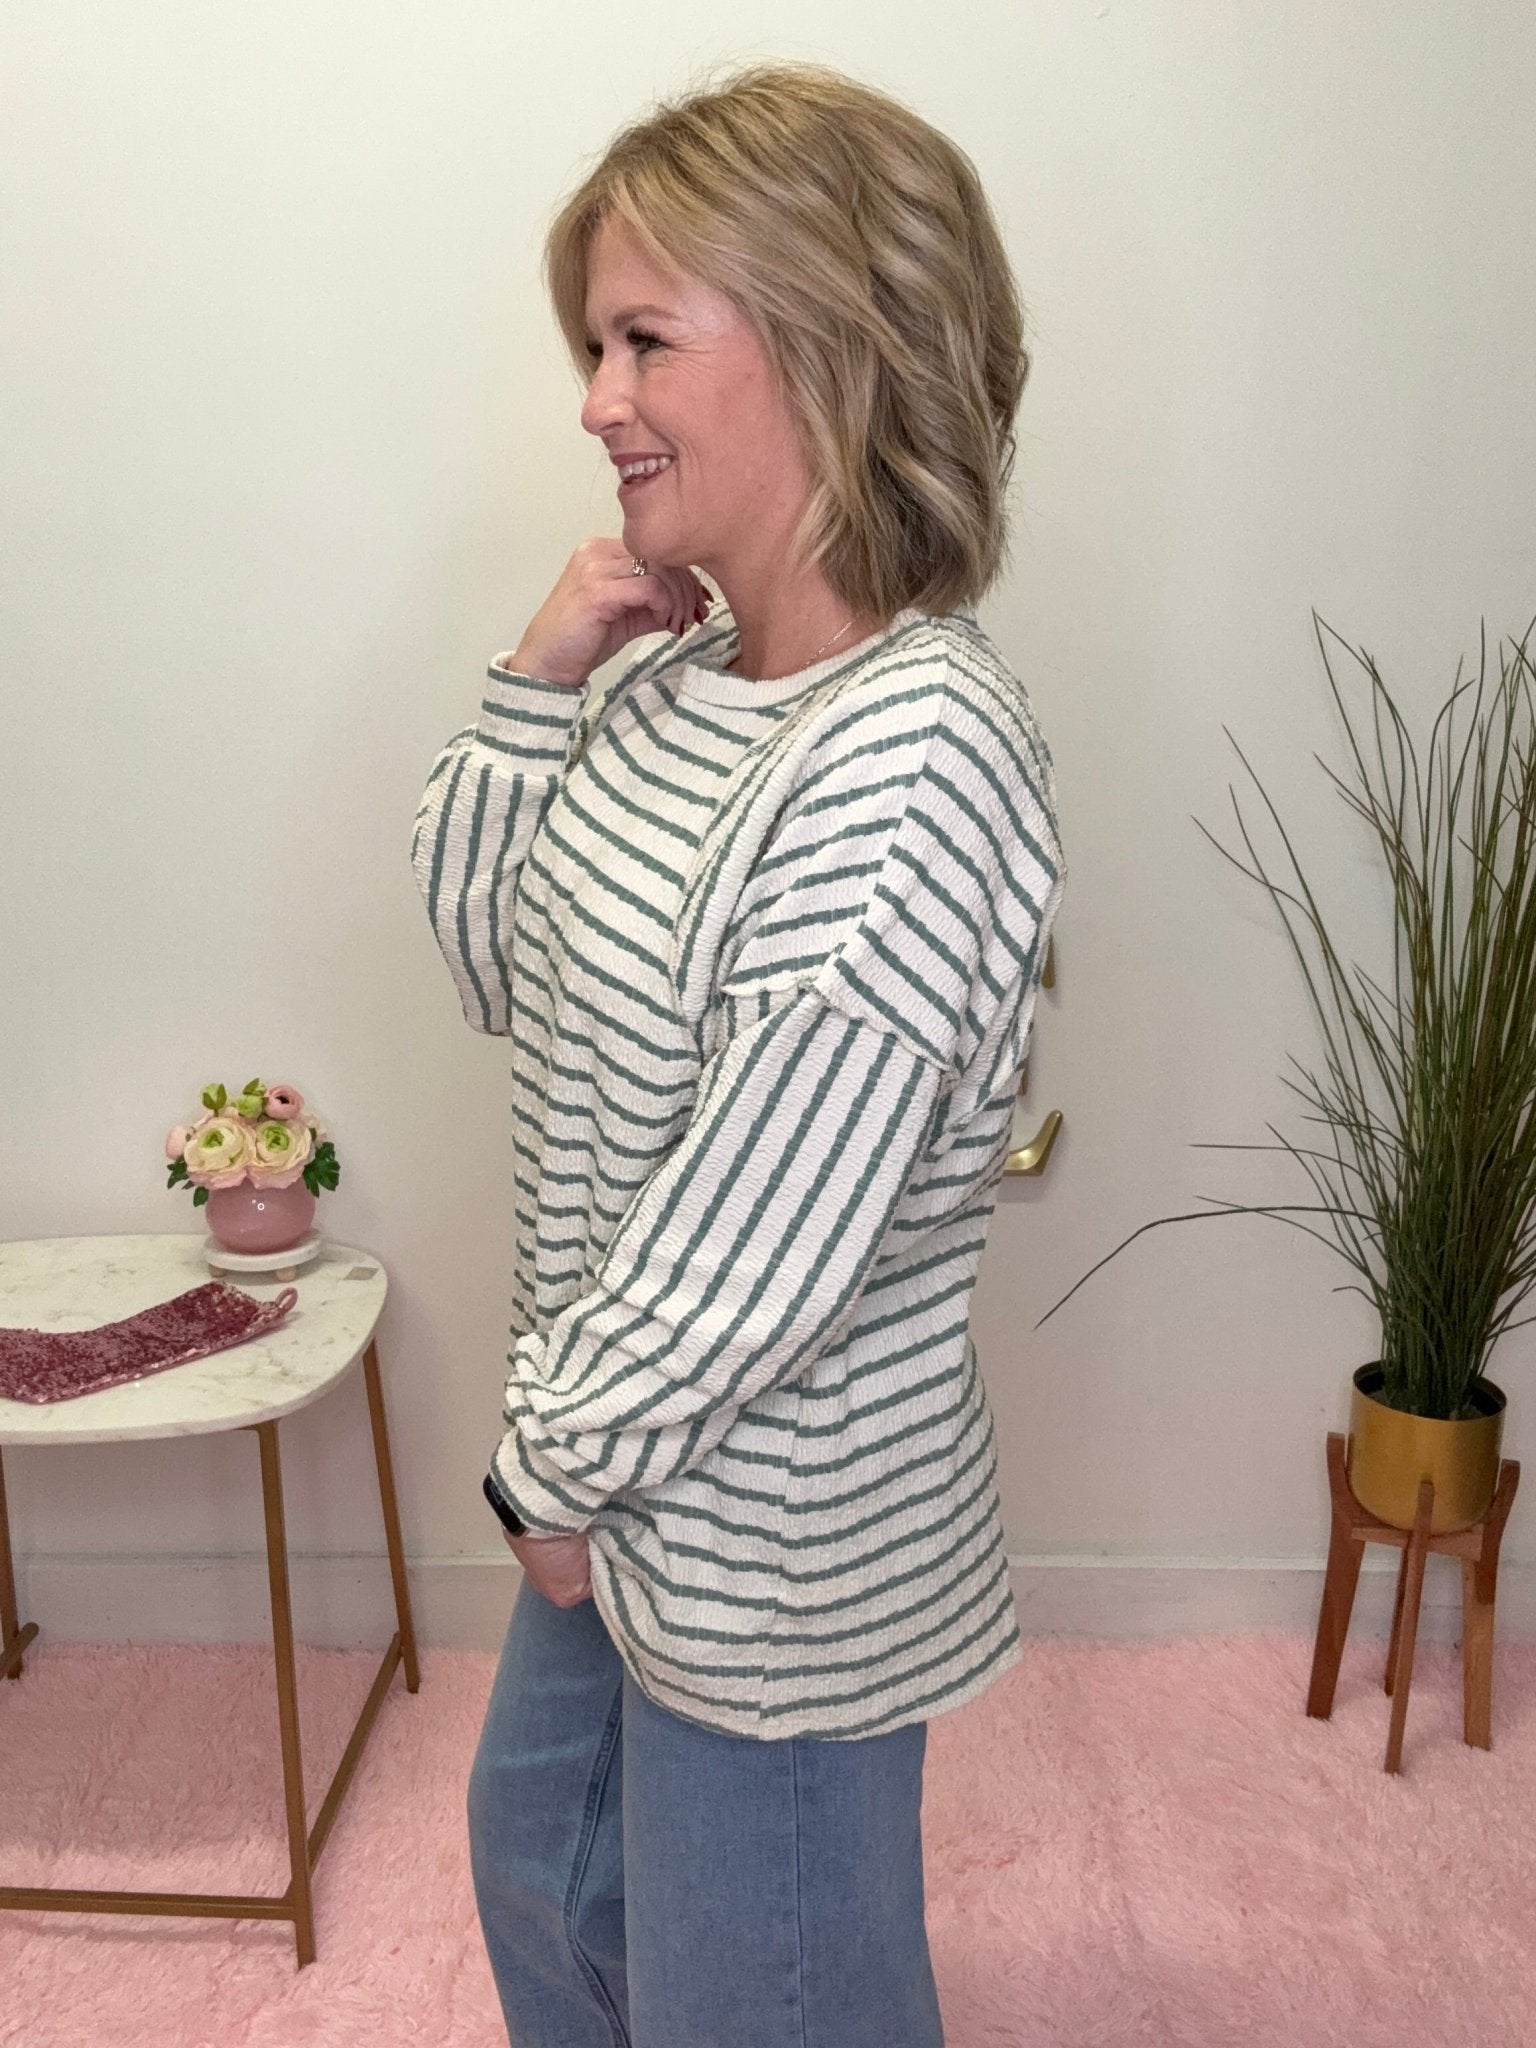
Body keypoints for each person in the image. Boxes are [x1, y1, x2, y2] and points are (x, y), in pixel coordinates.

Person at [410, 58, 1066, 2048]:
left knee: (753, 1997)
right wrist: (539, 678)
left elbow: (753, 1250)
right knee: (547, 1880)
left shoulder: (919, 754)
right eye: (591, 347)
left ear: (829, 339)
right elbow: (493, 958)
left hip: (769, 1558)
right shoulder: (679, 678)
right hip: (621, 1491)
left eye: (642, 340)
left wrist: (548, 1470)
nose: (594, 401)